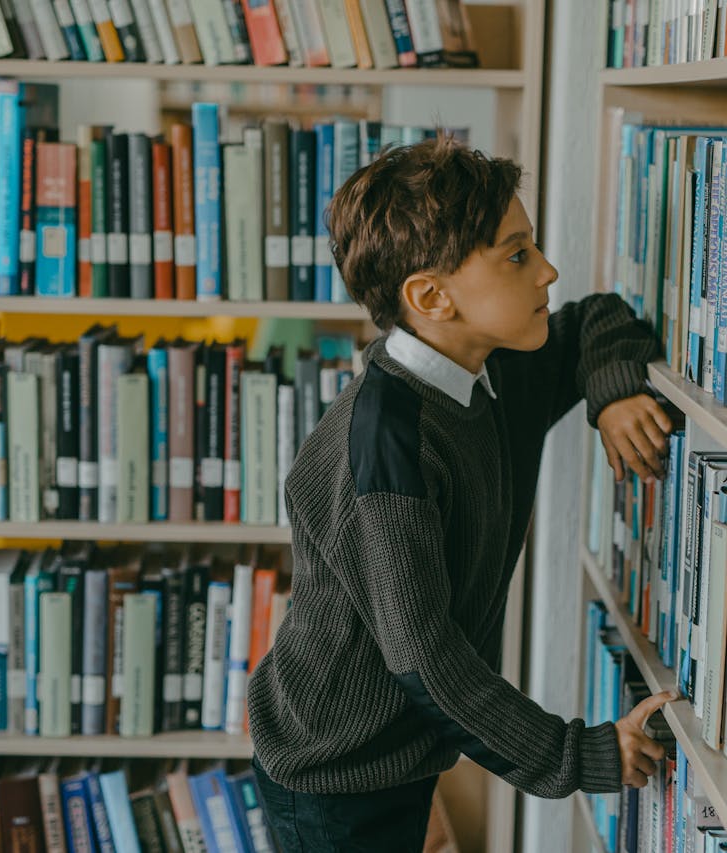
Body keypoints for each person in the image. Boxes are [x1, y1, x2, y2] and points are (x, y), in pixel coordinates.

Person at [247, 136, 676, 852]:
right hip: (335, 772)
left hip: (402, 744)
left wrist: (611, 396)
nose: (548, 270)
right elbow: (427, 660)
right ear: (430, 296)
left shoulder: (491, 370)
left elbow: (599, 317)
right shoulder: (388, 446)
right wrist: (581, 754)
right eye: (516, 255)